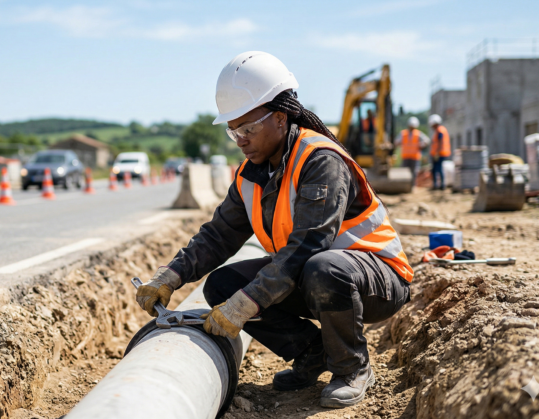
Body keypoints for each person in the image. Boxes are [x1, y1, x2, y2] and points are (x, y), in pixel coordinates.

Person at [135, 51, 413, 408]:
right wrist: (170, 276)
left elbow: (310, 244)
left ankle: (351, 367)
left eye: (248, 129)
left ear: (281, 118)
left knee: (322, 268)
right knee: (222, 285)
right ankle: (312, 352)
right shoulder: (251, 174)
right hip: (314, 274)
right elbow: (219, 235)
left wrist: (247, 303)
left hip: (376, 279)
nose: (240, 139)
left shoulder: (320, 160)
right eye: (234, 130)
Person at [394, 116, 430, 187]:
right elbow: (396, 142)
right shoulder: (403, 133)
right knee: (404, 172)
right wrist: (399, 143)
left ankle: (413, 185)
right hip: (406, 156)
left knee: (414, 172)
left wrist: (421, 145)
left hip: (415, 156)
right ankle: (404, 185)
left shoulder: (418, 134)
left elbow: (427, 140)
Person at [428, 114, 451, 190]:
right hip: (439, 153)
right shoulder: (440, 130)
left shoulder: (439, 130)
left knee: (438, 169)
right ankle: (439, 185)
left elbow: (440, 141)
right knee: (436, 169)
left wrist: (437, 153)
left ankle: (440, 185)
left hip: (439, 154)